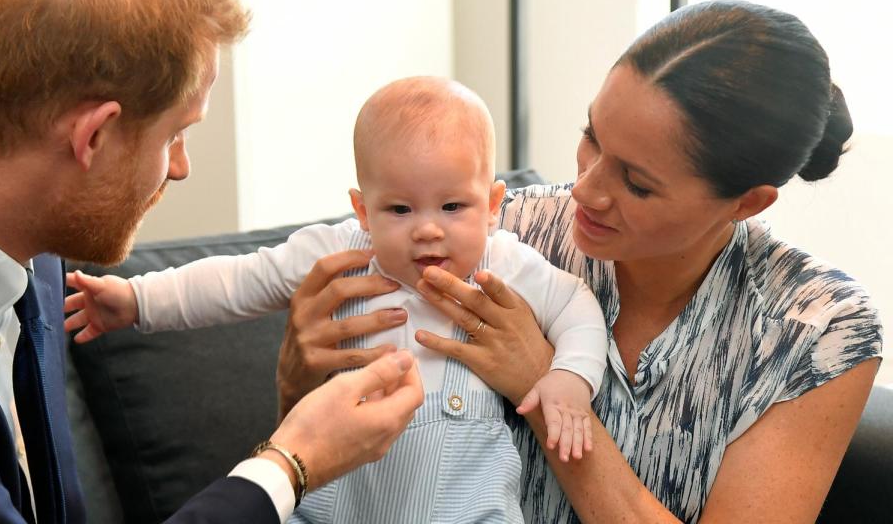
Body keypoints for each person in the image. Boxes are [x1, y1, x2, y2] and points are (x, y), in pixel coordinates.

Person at [0, 0, 423, 522]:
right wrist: (290, 463)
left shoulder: (36, 240)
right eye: (175, 134)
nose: (180, 167)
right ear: (94, 136)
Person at [276, 0, 884, 522]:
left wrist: (544, 384)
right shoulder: (497, 231)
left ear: (746, 203)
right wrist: (297, 379)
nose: (585, 190)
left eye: (636, 183)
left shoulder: (817, 330)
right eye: (591, 136)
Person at [64, 75, 609, 523]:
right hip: (339, 500)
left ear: (491, 205)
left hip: (467, 505)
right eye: (400, 210)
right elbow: (238, 280)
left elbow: (576, 307)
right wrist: (136, 300)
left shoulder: (505, 262)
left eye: (452, 207)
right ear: (363, 210)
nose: (428, 230)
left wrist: (569, 378)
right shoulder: (339, 251)